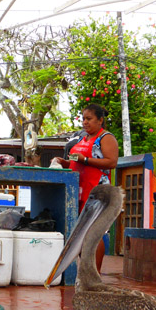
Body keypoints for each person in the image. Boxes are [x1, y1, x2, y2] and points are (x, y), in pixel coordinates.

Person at [51, 103, 118, 271]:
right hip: (80, 192)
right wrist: (64, 162)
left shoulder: (106, 138)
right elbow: (75, 162)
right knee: (81, 233)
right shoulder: (82, 138)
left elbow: (112, 162)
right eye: (83, 119)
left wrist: (85, 160)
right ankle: (85, 271)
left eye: (89, 119)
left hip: (97, 192)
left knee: (94, 233)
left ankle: (94, 274)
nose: (85, 122)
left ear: (100, 120)